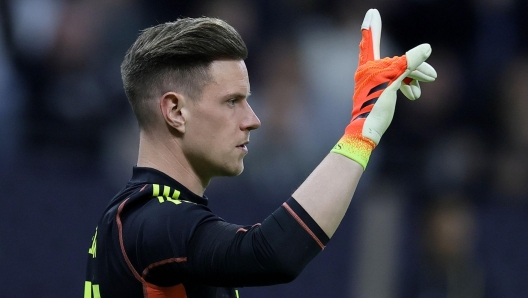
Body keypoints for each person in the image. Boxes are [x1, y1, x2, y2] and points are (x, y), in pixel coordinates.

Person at [84, 9, 436, 298]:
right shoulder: (151, 220)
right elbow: (271, 254)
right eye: (233, 101)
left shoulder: (140, 219)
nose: (253, 120)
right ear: (175, 111)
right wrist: (361, 132)